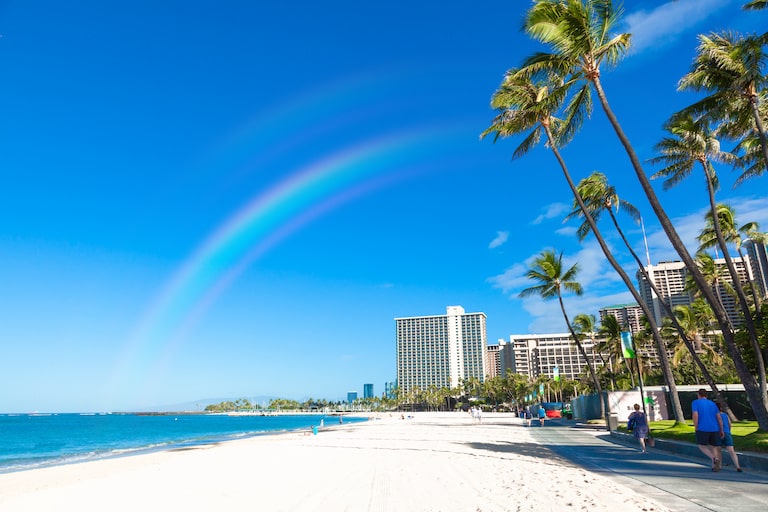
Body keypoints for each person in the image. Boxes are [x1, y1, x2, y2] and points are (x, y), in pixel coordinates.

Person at [692, 388, 724, 471]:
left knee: (701, 445)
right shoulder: (712, 404)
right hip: (714, 428)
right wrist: (721, 429)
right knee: (713, 446)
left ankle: (713, 458)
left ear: (698, 395)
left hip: (703, 427)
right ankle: (714, 466)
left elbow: (695, 415)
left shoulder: (696, 403)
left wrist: (696, 426)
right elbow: (719, 417)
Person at [717, 402, 742, 472]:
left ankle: (719, 465)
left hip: (718, 433)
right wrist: (728, 431)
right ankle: (737, 466)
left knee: (718, 450)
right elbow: (729, 424)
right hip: (727, 433)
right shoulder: (725, 415)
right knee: (731, 450)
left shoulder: (715, 415)